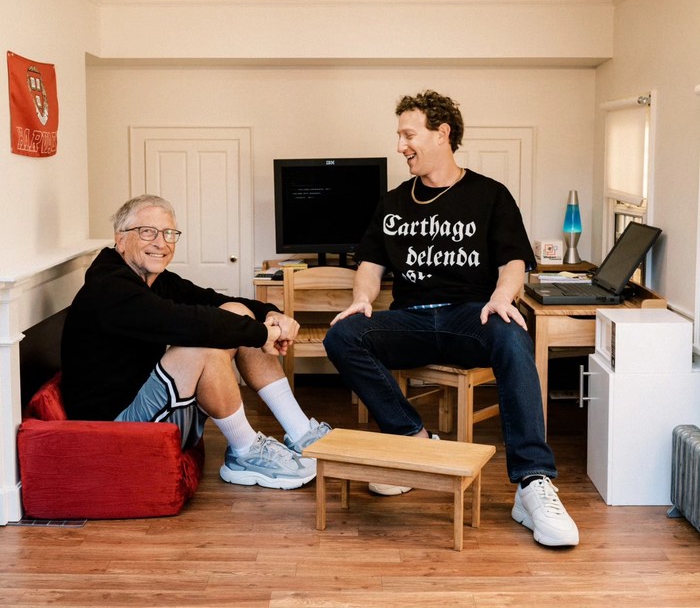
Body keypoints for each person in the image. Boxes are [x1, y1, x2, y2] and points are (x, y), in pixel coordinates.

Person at [323, 90, 579, 547]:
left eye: (408, 135)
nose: (400, 145)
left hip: (470, 316)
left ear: (442, 133)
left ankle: (532, 482)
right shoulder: (393, 202)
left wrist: (502, 297)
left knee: (513, 334)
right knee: (342, 334)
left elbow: (514, 261)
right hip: (410, 319)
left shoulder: (490, 195)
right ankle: (413, 441)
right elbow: (370, 265)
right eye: (399, 136)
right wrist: (362, 299)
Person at [60, 194, 330, 491]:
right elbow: (186, 323)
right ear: (120, 239)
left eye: (168, 233)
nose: (161, 243)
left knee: (235, 313)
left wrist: (271, 314)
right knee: (200, 346)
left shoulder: (154, 279)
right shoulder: (109, 288)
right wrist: (263, 335)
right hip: (114, 430)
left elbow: (215, 301)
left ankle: (301, 432)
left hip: (148, 405)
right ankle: (245, 450)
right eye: (148, 232)